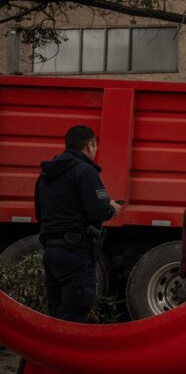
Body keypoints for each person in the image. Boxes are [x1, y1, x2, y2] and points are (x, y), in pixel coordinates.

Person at [34, 125, 122, 322]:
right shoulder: (85, 171)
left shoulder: (46, 174)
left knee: (56, 313)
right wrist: (111, 209)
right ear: (90, 145)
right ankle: (61, 352)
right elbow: (98, 211)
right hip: (76, 252)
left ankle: (46, 352)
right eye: (95, 146)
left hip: (51, 251)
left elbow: (40, 214)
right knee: (75, 312)